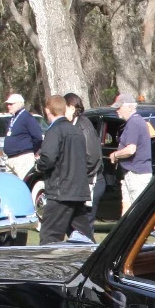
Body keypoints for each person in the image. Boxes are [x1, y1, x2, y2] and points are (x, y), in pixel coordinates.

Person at [34, 95, 91, 243]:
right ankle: (94, 262)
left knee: (49, 236)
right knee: (84, 237)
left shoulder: (54, 131)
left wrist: (38, 165)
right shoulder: (76, 130)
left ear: (47, 110)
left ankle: (48, 266)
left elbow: (48, 159)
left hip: (60, 193)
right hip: (78, 191)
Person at [64, 93, 104, 238]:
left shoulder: (83, 126)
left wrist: (78, 175)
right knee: (73, 224)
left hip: (90, 182)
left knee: (84, 226)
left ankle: (89, 255)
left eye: (65, 108)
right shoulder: (73, 125)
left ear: (72, 107)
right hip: (81, 182)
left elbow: (92, 157)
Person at [109, 93, 155, 209]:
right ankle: (124, 228)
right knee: (127, 207)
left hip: (136, 174)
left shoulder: (134, 123)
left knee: (141, 210)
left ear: (129, 107)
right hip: (132, 172)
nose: (117, 111)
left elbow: (130, 150)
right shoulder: (134, 122)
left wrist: (115, 155)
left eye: (119, 108)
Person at [2, 93, 44, 160]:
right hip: (11, 158)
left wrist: (32, 151)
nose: (8, 106)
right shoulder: (13, 118)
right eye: (8, 104)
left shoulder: (27, 118)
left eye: (11, 104)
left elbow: (38, 137)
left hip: (23, 157)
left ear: (19, 104)